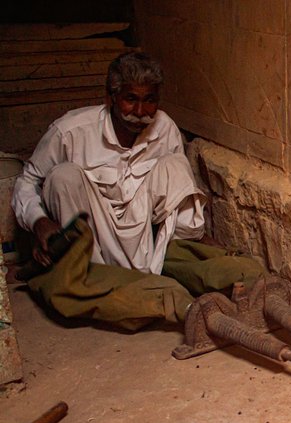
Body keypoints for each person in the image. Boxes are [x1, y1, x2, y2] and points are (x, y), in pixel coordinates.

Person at [11, 51, 264, 330]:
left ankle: (182, 252)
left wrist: (200, 235)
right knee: (63, 176)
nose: (141, 113)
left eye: (150, 101)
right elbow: (27, 181)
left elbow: (170, 190)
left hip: (146, 240)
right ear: (110, 98)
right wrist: (39, 222)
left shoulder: (164, 128)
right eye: (131, 99)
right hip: (92, 238)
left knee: (174, 164)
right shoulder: (70, 131)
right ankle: (99, 276)